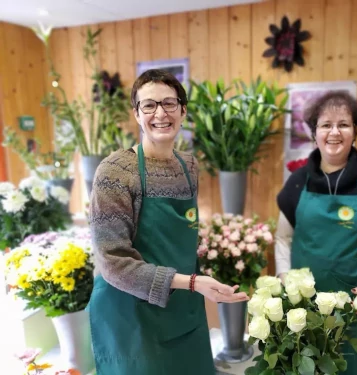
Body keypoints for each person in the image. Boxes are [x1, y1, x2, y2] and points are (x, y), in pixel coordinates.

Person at [87, 69, 249, 375]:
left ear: (183, 110)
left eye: (169, 104)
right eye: (148, 105)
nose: (160, 113)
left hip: (183, 307)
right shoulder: (116, 171)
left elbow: (182, 235)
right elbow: (112, 261)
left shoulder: (189, 165)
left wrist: (206, 266)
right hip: (131, 316)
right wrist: (191, 282)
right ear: (136, 114)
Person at [275, 91, 357, 374]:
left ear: (354, 132)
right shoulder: (298, 182)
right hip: (307, 313)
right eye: (326, 125)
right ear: (314, 133)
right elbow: (283, 238)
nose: (334, 132)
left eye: (343, 124)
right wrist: (286, 281)